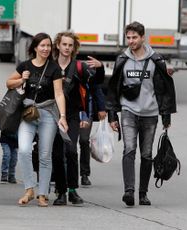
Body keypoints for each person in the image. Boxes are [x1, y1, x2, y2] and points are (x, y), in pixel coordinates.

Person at [106, 21, 176, 206]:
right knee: (129, 149)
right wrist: (113, 115)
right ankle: (129, 191)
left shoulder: (156, 60)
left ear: (143, 37)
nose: (131, 41)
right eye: (128, 37)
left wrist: (166, 115)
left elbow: (163, 89)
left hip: (150, 114)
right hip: (129, 111)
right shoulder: (122, 59)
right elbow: (114, 89)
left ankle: (143, 193)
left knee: (146, 154)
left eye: (134, 37)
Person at [6, 32, 68, 207]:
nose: (46, 49)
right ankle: (29, 190)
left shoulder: (54, 68)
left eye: (48, 46)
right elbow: (9, 83)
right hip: (28, 113)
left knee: (45, 155)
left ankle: (43, 193)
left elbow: (59, 93)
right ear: (35, 47)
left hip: (48, 113)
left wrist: (62, 117)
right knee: (24, 150)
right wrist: (21, 80)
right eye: (42, 46)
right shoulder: (25, 66)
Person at [51, 31, 105, 206]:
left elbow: (94, 87)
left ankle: (73, 190)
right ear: (58, 45)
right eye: (64, 44)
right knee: (58, 154)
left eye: (70, 45)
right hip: (53, 115)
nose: (67, 48)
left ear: (74, 48)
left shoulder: (80, 67)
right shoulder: (50, 67)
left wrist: (100, 67)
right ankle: (61, 192)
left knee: (71, 151)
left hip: (73, 115)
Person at [79, 85, 106, 186]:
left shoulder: (88, 70)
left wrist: (101, 107)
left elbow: (96, 86)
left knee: (84, 140)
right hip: (68, 110)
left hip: (86, 112)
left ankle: (84, 174)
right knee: (67, 144)